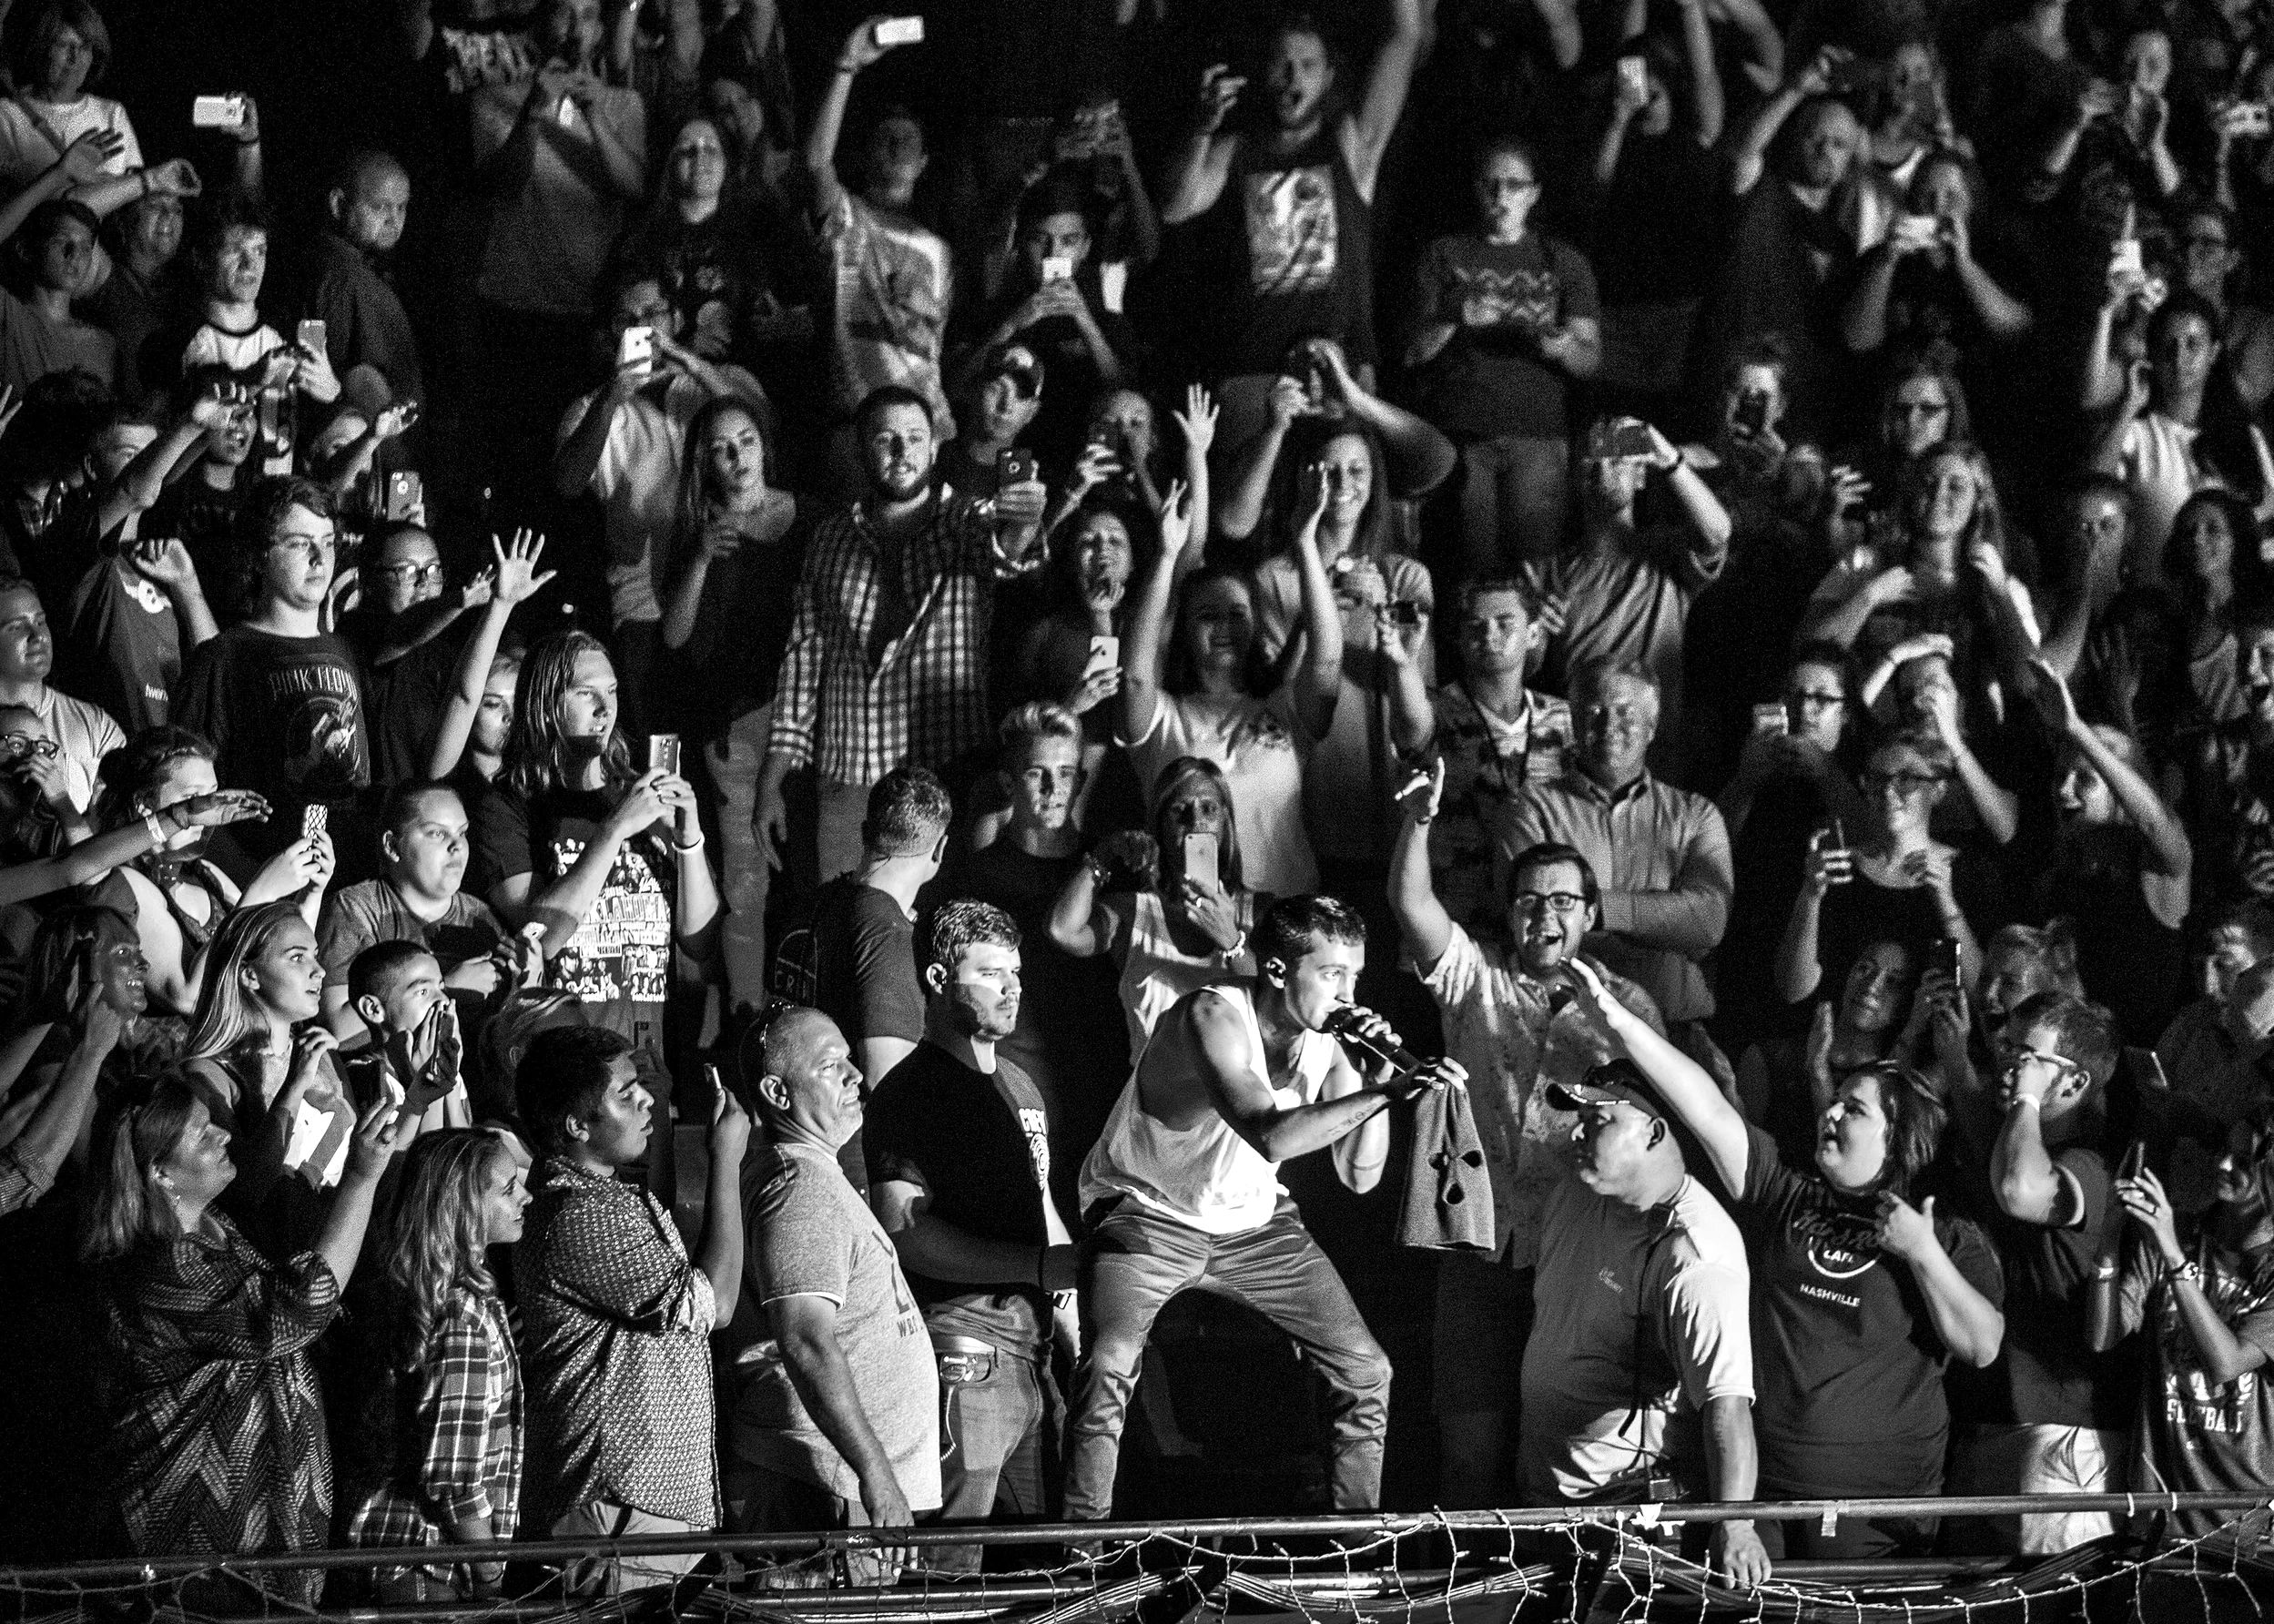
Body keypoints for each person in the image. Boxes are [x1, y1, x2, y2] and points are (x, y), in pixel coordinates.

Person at [1566, 957, 2005, 1558]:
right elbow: (1707, 1107)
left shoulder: (1945, 1230)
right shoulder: (1785, 1190)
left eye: (1855, 1110)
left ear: (1897, 1136)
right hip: (1767, 1493)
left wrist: (1921, 1251)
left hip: (1881, 1509)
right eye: (1836, 1101)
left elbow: (1982, 1346)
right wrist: (1620, 1024)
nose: (1830, 1112)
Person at [1063, 895, 1465, 1520]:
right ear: (1278, 971)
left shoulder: (1325, 1043)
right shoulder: (1212, 1015)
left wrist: (1367, 1075)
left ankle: (1352, 1554)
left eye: (1354, 976)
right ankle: (1079, 1557)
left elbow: (1359, 1175)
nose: (1347, 992)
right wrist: (1389, 1092)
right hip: (1147, 1212)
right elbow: (1271, 1132)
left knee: (1366, 1371)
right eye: (1332, 975)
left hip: (1255, 1226)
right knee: (1111, 1361)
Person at [1388, 758, 1666, 1506]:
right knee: (1468, 1459)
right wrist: (1418, 820)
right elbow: (1412, 905)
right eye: (1529, 900)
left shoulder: (1628, 1002)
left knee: (1560, 1464)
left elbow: (1658, 1128)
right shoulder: (1474, 978)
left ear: (1589, 914)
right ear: (1509, 915)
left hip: (1577, 1257)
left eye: (1564, 901)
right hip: (1481, 1247)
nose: (1545, 914)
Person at [82, 1068, 401, 1608]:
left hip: (266, 1523)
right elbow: (299, 1308)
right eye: (203, 1133)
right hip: (203, 1540)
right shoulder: (162, 1265)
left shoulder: (218, 1228)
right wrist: (361, 1178)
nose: (224, 1134)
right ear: (159, 1171)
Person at [755, 385, 1046, 884]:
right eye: (886, 438)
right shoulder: (830, 538)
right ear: (862, 448)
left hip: (946, 764)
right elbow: (803, 661)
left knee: (943, 932)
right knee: (850, 924)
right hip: (848, 767)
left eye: (914, 438)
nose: (901, 451)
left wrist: (1023, 523)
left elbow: (1007, 557)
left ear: (934, 447)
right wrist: (771, 780)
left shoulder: (968, 519)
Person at [866, 901, 1078, 1563]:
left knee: (1039, 1565)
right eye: (990, 974)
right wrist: (1038, 1268)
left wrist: (1072, 1322)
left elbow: (1042, 1202)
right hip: (964, 1345)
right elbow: (907, 1230)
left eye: (1014, 972)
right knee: (948, 1567)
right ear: (938, 977)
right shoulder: (912, 1091)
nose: (1011, 987)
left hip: (1033, 1348)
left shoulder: (1019, 1083)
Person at [473, 629, 717, 1195]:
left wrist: (691, 838)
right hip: (569, 1057)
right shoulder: (509, 805)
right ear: (544, 701)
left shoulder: (639, 795)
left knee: (655, 1210)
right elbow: (538, 935)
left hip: (648, 1041)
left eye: (610, 690)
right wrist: (613, 831)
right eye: (586, 692)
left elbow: (700, 942)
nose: (605, 707)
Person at [514, 1023, 750, 1593]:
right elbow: (712, 1304)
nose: (644, 1099)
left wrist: (667, 1111)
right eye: (626, 1093)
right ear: (576, 1125)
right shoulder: (579, 1213)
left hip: (644, 1513)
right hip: (617, 1513)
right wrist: (726, 1163)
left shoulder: (608, 1197)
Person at [1521, 1058, 1769, 1588]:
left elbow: (1726, 1405)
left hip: (1625, 1518)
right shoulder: (1572, 1192)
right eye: (1578, 1115)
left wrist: (1737, 1524)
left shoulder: (1696, 1255)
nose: (1578, 1128)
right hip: (1543, 1502)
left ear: (1654, 1130)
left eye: (1600, 1117)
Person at [727, 1006, 939, 1566]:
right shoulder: (800, 1186)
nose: (855, 1076)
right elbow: (806, 1340)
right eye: (830, 1066)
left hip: (836, 1488)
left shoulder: (811, 1176)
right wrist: (877, 1475)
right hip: (821, 1491)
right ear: (777, 1092)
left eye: (850, 1059)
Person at [1158, 0, 1426, 430]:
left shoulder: (1351, 147)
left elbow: (1405, 35)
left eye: (1307, 65)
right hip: (1252, 371)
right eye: (1281, 65)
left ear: (1328, 77)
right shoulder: (1235, 148)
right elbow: (1175, 208)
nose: (1293, 78)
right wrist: (1202, 128)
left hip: (1339, 370)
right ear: (1262, 73)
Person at [1941, 992, 2132, 1555]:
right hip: (1997, 1416)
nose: (2010, 1067)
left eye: (2028, 1057)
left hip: (2062, 1431)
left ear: (2073, 1085)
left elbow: (2020, 1191)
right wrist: (1956, 1059)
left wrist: (2025, 1098)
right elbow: (1993, 1151)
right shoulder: (2019, 1144)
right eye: (2009, 1052)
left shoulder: (2090, 1167)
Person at [552, 265, 766, 730]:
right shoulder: (594, 406)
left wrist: (685, 361)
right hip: (642, 595)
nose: (641, 325)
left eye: (652, 312)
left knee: (725, 726)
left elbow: (757, 424)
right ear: (611, 331)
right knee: (655, 728)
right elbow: (567, 483)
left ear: (676, 318)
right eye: (626, 317)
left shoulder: (715, 381)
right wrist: (614, 396)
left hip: (725, 572)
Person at [657, 393, 806, 1010]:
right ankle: (747, 1013)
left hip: (812, 715)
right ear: (704, 463)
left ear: (763, 444)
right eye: (720, 448)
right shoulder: (699, 532)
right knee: (747, 882)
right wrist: (696, 561)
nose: (736, 456)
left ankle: (806, 1008)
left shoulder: (812, 517)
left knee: (809, 872)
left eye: (744, 440)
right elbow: (674, 636)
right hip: (737, 721)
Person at [1119, 475, 1333, 898]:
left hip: (1285, 914)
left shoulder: (1283, 707)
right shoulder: (1161, 719)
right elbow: (1136, 673)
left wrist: (1306, 543)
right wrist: (1166, 557)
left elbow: (1326, 659)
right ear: (1183, 631)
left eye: (1238, 613)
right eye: (1207, 616)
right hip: (1186, 920)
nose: (1225, 627)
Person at [1503, 661, 1731, 1053]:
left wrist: (1590, 908)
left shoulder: (1696, 815)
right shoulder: (1532, 809)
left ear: (1652, 727)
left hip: (1677, 1033)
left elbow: (1709, 921)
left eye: (1625, 712)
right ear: (1573, 722)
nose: (1609, 725)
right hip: (1564, 1033)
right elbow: (1534, 924)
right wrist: (1664, 915)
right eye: (1593, 712)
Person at [342, 1129, 527, 1601]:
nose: (525, 1194)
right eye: (507, 1188)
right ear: (462, 1207)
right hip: (426, 1565)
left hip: (409, 1555)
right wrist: (490, 1579)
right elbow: (456, 1482)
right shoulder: (461, 1318)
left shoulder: (431, 1296)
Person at [1406, 135, 1602, 573]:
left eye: (1514, 185)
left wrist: (1561, 345)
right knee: (1470, 571)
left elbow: (1591, 359)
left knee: (1534, 572)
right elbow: (1411, 351)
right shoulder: (1445, 253)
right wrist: (1455, 317)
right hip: (1463, 436)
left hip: (1538, 436)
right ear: (1476, 190)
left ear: (1533, 194)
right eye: (1491, 184)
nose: (1501, 196)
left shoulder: (1563, 261)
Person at [2089, 1110, 2274, 1545]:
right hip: (2157, 1512)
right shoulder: (2185, 1231)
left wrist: (2174, 1257)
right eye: (2222, 1152)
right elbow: (2104, 1336)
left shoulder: (2190, 1246)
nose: (2223, 1165)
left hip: (2240, 1525)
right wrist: (2110, 1238)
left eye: (2243, 1161)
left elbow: (2228, 1362)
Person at [172, 478, 371, 863]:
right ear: (260, 554)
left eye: (328, 541)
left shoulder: (346, 651)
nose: (319, 557)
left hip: (342, 876)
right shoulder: (223, 657)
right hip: (262, 878)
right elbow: (190, 794)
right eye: (300, 543)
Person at [1526, 420, 1731, 779]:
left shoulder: (1666, 555)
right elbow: (1522, 673)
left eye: (1616, 461)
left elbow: (1717, 533)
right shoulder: (1544, 572)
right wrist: (1533, 632)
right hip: (1577, 758)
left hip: (1655, 755)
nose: (1602, 470)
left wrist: (1667, 458)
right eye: (1590, 463)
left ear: (1640, 476)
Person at [801, 20, 955, 479]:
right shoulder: (849, 219)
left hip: (925, 426)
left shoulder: (939, 249)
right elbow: (814, 163)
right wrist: (845, 67)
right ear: (868, 152)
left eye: (909, 138)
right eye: (886, 136)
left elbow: (934, 344)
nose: (897, 143)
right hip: (858, 420)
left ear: (925, 160)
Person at [1051, 756, 1265, 1066]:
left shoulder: (1257, 911)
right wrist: (1105, 853)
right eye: (1180, 810)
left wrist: (1233, 942)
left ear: (1225, 824)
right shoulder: (1132, 912)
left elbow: (1280, 1004)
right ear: (1161, 824)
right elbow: (1063, 930)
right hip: (1155, 1107)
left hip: (1241, 1106)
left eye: (1209, 808)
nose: (1196, 821)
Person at [1419, 579, 1572, 947]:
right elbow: (1411, 732)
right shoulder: (1433, 711)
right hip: (1452, 924)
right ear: (1458, 639)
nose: (1490, 635)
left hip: (1537, 926)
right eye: (1475, 626)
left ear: (1534, 633)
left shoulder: (1563, 720)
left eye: (1505, 623)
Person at [806, 767, 947, 1156]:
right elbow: (889, 1082)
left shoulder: (818, 903)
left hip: (801, 1138)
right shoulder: (888, 933)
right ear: (939, 850)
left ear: (866, 831)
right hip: (854, 1160)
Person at [319, 782, 512, 1046]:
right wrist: (446, 987)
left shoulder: (480, 917)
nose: (457, 846)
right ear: (392, 846)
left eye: (463, 833)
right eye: (437, 834)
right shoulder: (355, 909)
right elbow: (339, 1031)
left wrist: (525, 983)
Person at [306, 150, 422, 420]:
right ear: (338, 204)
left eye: (402, 206)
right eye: (380, 206)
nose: (394, 220)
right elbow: (343, 377)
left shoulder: (362, 271)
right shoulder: (341, 278)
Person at [0, 573, 122, 818]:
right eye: (16, 627)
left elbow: (119, 827)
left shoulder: (96, 727)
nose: (38, 636)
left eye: (41, 622)